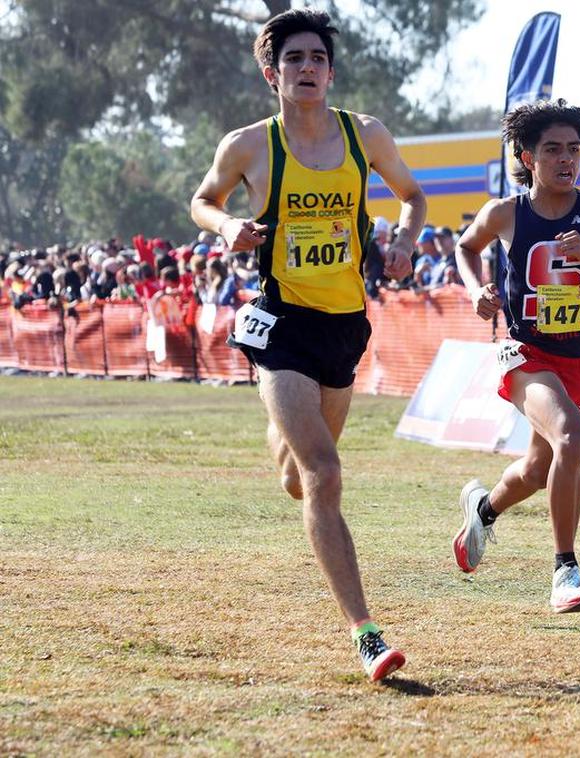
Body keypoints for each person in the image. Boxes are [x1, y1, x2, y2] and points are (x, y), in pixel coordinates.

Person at [189, 7, 425, 682]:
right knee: (325, 474)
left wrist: (406, 240)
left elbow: (412, 196)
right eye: (293, 60)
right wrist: (225, 226)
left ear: (331, 70)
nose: (307, 69)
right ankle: (368, 635)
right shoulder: (249, 145)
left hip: (344, 325)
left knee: (299, 477)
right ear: (273, 73)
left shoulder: (366, 136)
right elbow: (202, 199)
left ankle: (281, 437)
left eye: (317, 58)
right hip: (281, 322)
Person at [451, 98, 580, 613]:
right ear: (527, 157)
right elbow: (465, 247)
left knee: (543, 467)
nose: (566, 159)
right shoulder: (506, 213)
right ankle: (566, 571)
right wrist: (477, 289)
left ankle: (484, 510)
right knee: (572, 437)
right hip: (527, 354)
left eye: (573, 149)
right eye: (553, 150)